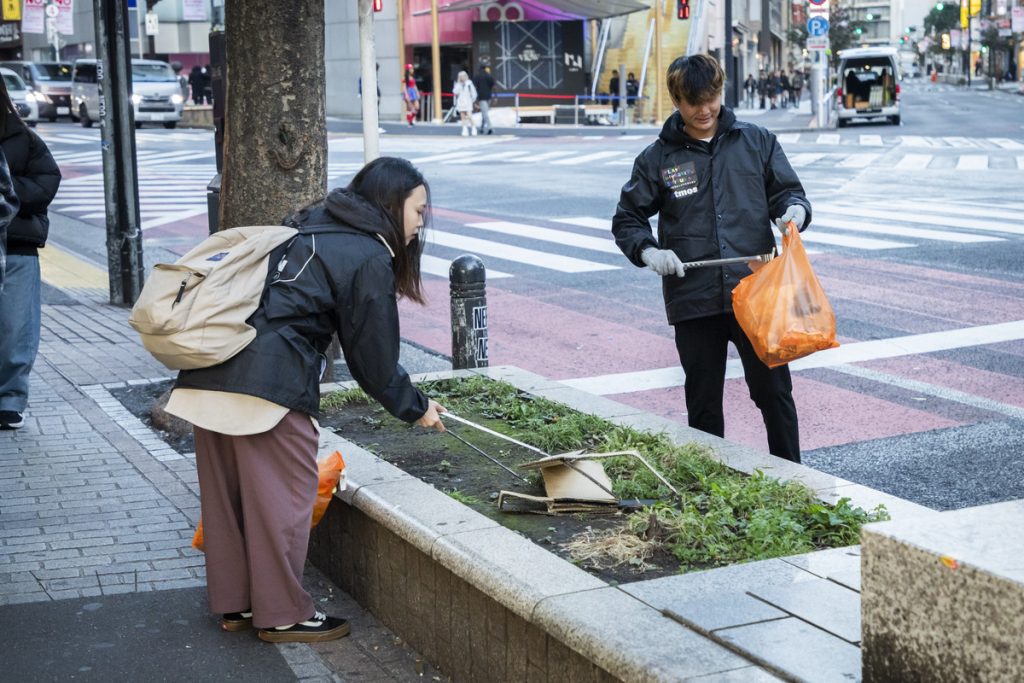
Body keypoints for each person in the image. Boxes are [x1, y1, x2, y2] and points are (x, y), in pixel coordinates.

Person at [166, 156, 447, 641]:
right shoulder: (367, 254)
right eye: (419, 211)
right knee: (287, 500)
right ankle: (283, 614)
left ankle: (240, 605)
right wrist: (415, 405)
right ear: (392, 202)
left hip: (206, 372)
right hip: (267, 386)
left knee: (228, 501)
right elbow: (373, 359)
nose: (421, 224)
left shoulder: (304, 225)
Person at [611, 54, 810, 463]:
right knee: (703, 403)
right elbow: (627, 218)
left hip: (756, 292)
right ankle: (712, 488)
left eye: (712, 97)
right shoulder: (658, 158)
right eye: (693, 101)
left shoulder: (756, 142)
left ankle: (796, 480)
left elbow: (788, 192)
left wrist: (795, 211)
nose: (705, 110)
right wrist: (649, 251)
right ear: (677, 101)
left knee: (774, 394)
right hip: (694, 297)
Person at [0, 74, 59, 431]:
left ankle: (10, 399)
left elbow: (46, 182)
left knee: (15, 327)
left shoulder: (21, 137)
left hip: (16, 246)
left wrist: (6, 188)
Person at [452, 70, 477, 137]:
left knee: (469, 116)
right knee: (462, 116)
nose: (462, 77)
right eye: (461, 76)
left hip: (468, 101)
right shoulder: (458, 84)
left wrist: (472, 100)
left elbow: (474, 93)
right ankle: (464, 129)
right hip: (461, 102)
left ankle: (473, 127)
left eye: (463, 76)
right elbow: (455, 92)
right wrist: (459, 86)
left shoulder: (469, 84)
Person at [474, 63, 496, 135]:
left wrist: (474, 99)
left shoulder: (477, 76)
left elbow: (474, 87)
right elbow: (494, 86)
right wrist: (495, 96)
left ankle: (490, 127)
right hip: (489, 96)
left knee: (484, 113)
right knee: (485, 112)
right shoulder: (489, 76)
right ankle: (482, 127)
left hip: (481, 96)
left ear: (479, 68)